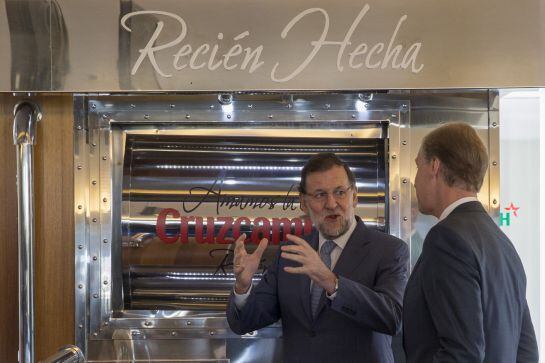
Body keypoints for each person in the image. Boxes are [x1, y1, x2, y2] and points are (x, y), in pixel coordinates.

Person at [226, 152, 410, 363]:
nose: (331, 204)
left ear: (355, 196)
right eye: (320, 195)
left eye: (340, 192)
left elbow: (392, 319)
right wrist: (242, 287)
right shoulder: (290, 252)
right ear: (303, 203)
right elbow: (244, 324)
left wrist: (332, 283)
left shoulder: (390, 250)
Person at [403, 122, 539, 362]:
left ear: (434, 166)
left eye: (417, 166)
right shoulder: (503, 243)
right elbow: (526, 351)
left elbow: (462, 353)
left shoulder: (446, 239)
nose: (414, 181)